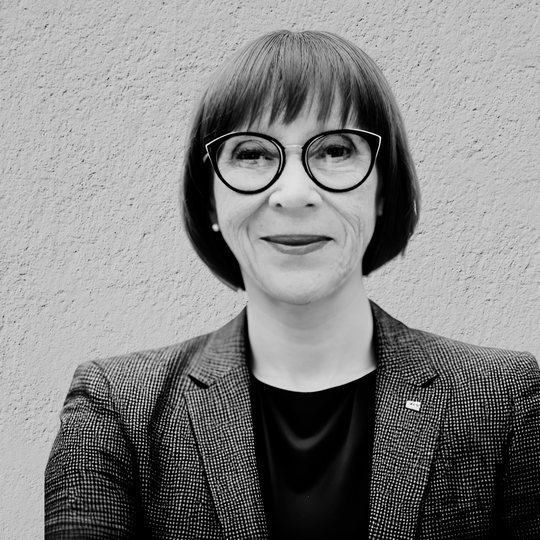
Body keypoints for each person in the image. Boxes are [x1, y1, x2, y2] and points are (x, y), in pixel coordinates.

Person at [45, 30, 540, 539]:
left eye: (335, 150)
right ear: (211, 199)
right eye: (253, 153)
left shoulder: (506, 399)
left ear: (382, 190)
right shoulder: (115, 409)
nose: (295, 194)